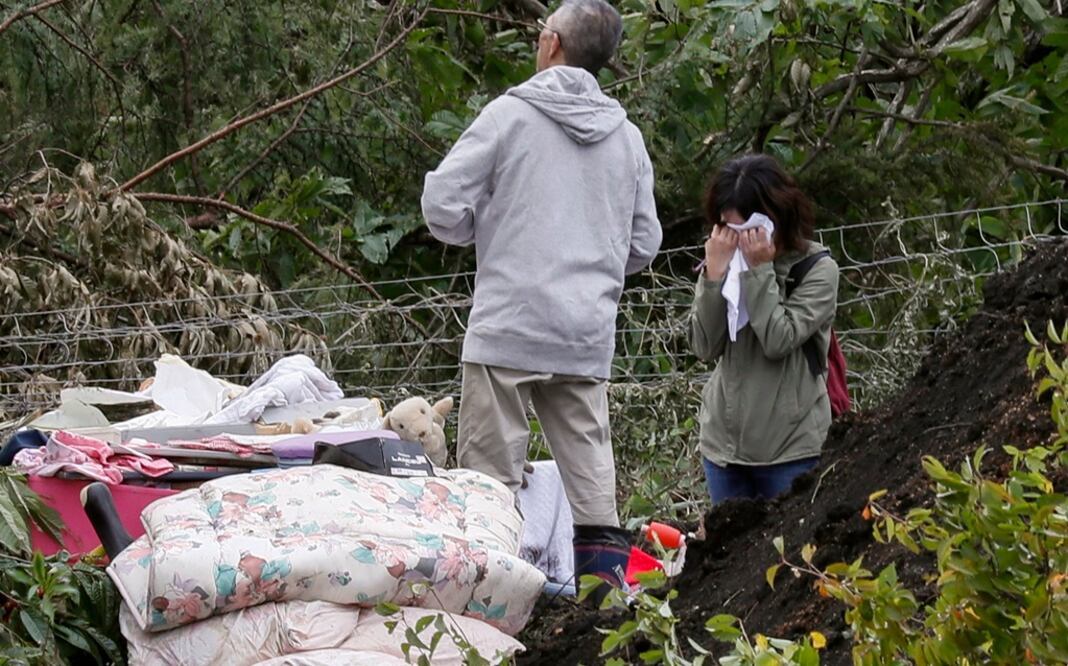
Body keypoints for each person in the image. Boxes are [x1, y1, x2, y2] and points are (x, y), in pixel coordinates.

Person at [420, 0, 661, 599]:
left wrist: (491, 234)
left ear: (551, 43)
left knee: (488, 481)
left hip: (510, 321)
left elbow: (441, 203)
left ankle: (488, 604)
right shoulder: (626, 138)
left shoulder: (510, 116)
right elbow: (646, 242)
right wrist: (597, 270)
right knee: (591, 475)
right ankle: (603, 609)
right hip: (584, 328)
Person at [689, 154, 838, 504]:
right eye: (727, 229)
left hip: (789, 450)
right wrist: (713, 277)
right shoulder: (724, 261)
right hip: (723, 450)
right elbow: (704, 346)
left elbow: (778, 338)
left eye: (746, 230)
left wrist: (759, 271)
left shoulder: (818, 270)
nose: (736, 241)